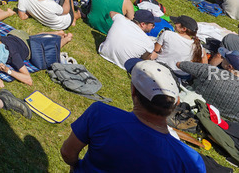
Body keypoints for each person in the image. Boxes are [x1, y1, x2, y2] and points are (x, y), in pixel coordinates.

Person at [60, 60, 205, 172]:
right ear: (177, 102)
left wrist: (76, 167)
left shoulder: (100, 114)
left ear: (133, 91)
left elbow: (67, 153)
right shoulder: (191, 160)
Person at [179, 50, 239, 124]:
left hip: (195, 110)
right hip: (229, 126)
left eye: (224, 59)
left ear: (230, 67)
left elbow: (180, 64)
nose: (222, 59)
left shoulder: (210, 71)